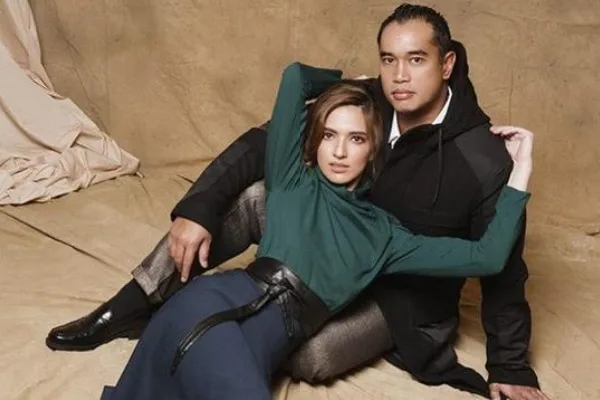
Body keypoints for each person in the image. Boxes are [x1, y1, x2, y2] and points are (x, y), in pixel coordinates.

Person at [47, 4, 547, 399]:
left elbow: (498, 263)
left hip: (400, 290)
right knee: (253, 199)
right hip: (306, 238)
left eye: (416, 60)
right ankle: (132, 307)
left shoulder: (481, 157)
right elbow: (265, 138)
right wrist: (197, 208)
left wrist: (510, 364)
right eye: (388, 60)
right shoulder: (365, 101)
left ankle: (212, 346)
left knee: (312, 358)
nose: (399, 76)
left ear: (447, 63)